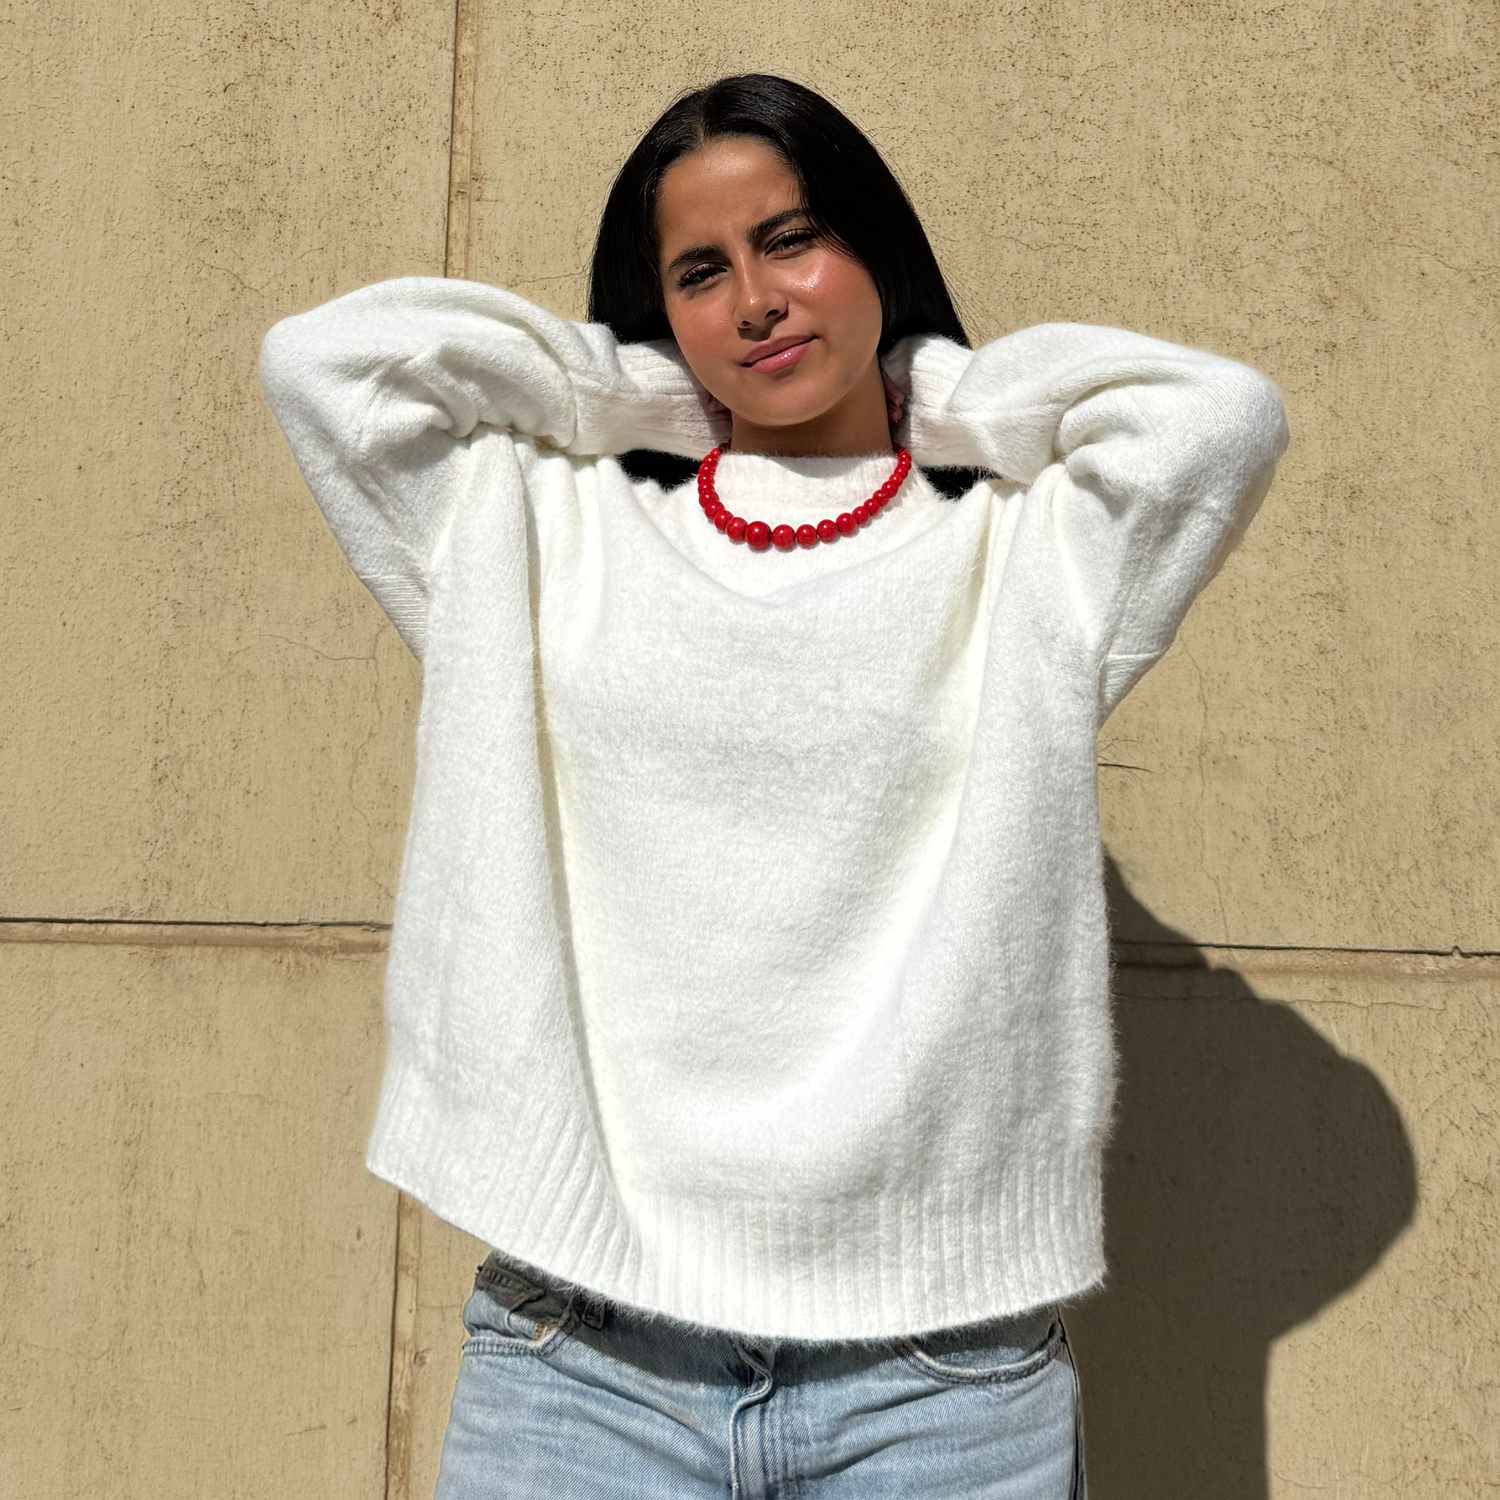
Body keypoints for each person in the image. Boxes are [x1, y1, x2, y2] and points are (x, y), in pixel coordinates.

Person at [260, 72, 1288, 1500]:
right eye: (700, 272)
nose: (755, 300)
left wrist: (932, 386)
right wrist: (638, 392)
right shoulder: (545, 528)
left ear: (875, 245)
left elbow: (1217, 418)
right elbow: (327, 364)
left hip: (936, 1383)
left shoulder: (1025, 556)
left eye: (793, 238)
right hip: (585, 1361)